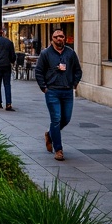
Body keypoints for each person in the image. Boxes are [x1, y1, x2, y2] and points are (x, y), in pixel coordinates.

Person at [34, 29, 83, 161]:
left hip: (67, 91)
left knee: (66, 119)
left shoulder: (70, 53)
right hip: (52, 91)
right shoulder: (45, 53)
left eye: (61, 36)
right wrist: (44, 88)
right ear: (52, 39)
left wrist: (74, 83)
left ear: (65, 38)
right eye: (56, 37)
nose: (59, 39)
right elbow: (38, 71)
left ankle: (50, 135)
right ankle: (59, 150)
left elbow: (78, 70)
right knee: (56, 119)